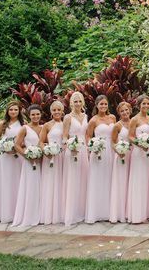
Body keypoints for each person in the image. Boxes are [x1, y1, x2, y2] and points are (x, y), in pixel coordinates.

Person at [0, 101, 24, 223]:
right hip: (5, 158)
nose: (13, 112)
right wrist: (4, 147)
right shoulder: (3, 124)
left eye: (15, 110)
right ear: (7, 112)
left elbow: (25, 140)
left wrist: (18, 147)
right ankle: (5, 213)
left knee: (17, 182)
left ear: (19, 111)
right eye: (11, 110)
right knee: (6, 182)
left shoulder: (23, 124)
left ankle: (17, 213)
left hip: (18, 157)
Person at [85, 95, 116, 223]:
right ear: (96, 105)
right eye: (101, 104)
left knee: (110, 179)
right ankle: (96, 212)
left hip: (112, 150)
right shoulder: (93, 120)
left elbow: (116, 133)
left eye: (105, 104)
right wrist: (93, 146)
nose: (103, 106)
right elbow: (87, 136)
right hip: (99, 152)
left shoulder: (113, 117)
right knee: (98, 179)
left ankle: (110, 212)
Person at [12, 104, 43, 227]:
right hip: (29, 162)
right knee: (30, 186)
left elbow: (44, 142)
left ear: (41, 114)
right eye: (33, 114)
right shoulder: (25, 128)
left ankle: (40, 214)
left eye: (37, 114)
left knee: (41, 187)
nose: (35, 116)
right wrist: (27, 155)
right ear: (29, 116)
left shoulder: (43, 127)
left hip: (42, 161)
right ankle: (29, 215)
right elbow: (17, 145)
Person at [62, 92, 89, 226]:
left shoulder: (86, 116)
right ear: (71, 103)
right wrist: (70, 146)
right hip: (72, 150)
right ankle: (71, 213)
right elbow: (64, 136)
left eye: (79, 101)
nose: (78, 104)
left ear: (82, 102)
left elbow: (86, 135)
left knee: (83, 179)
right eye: (75, 101)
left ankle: (82, 212)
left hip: (84, 149)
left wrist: (90, 149)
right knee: (73, 180)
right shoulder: (68, 117)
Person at [127, 94, 149, 224]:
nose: (146, 106)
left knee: (148, 181)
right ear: (139, 105)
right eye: (144, 104)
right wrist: (140, 144)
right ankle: (137, 214)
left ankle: (147, 211)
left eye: (148, 104)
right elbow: (130, 136)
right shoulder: (134, 119)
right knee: (139, 180)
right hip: (139, 152)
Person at [39, 100, 65, 224]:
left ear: (62, 111)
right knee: (50, 183)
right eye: (54, 110)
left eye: (58, 110)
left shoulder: (66, 124)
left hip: (63, 157)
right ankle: (48, 213)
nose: (56, 112)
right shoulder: (47, 125)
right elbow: (40, 142)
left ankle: (60, 213)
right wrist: (47, 151)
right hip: (50, 158)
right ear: (51, 112)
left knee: (61, 183)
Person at [109, 101, 132, 223]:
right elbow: (112, 142)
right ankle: (120, 212)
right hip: (122, 156)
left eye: (126, 110)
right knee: (121, 183)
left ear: (130, 110)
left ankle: (130, 211)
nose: (125, 112)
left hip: (133, 155)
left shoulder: (134, 123)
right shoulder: (117, 126)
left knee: (131, 183)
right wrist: (118, 151)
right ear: (119, 113)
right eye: (122, 111)